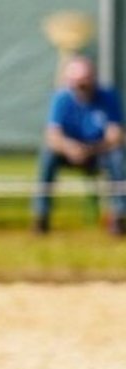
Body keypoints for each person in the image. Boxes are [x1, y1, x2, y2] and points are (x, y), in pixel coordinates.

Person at [32, 55, 125, 236]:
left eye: (85, 81)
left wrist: (91, 149)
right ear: (69, 81)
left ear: (93, 78)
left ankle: (119, 217)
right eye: (76, 82)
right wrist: (70, 148)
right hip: (68, 153)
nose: (81, 86)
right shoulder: (61, 98)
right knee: (48, 155)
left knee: (118, 156)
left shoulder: (108, 97)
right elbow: (52, 136)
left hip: (99, 153)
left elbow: (116, 135)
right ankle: (41, 217)